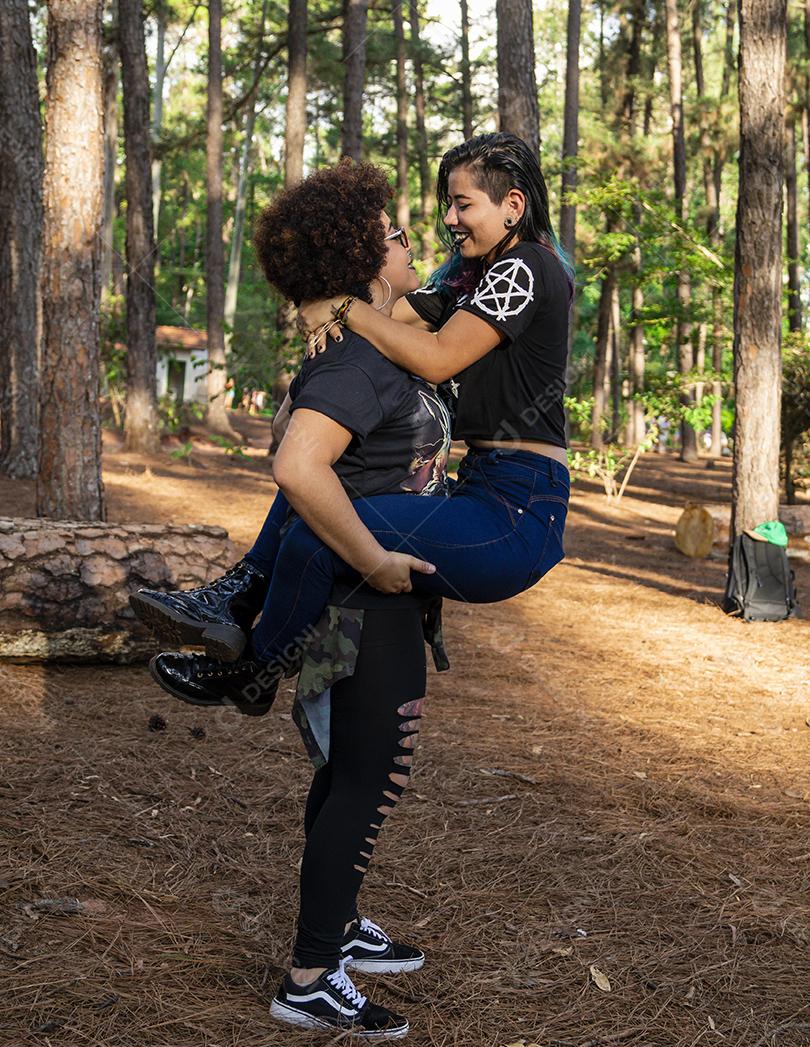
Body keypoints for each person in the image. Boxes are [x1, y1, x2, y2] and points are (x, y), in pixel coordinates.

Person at [135, 161, 452, 1038]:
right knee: (366, 776)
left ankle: (338, 929)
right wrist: (378, 563)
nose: (406, 243)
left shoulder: (368, 342)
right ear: (361, 258)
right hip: (360, 599)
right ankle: (312, 976)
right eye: (392, 235)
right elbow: (297, 470)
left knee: (350, 772)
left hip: (360, 596)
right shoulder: (354, 363)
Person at [133, 133, 573, 716]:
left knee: (322, 533)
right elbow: (384, 312)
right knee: (324, 501)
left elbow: (435, 353)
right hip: (483, 486)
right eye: (450, 203)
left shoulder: (526, 267)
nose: (449, 218)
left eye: (463, 204)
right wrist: (323, 309)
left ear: (512, 206)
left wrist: (345, 306)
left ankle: (255, 668)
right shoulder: (470, 284)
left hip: (519, 508)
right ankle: (235, 602)